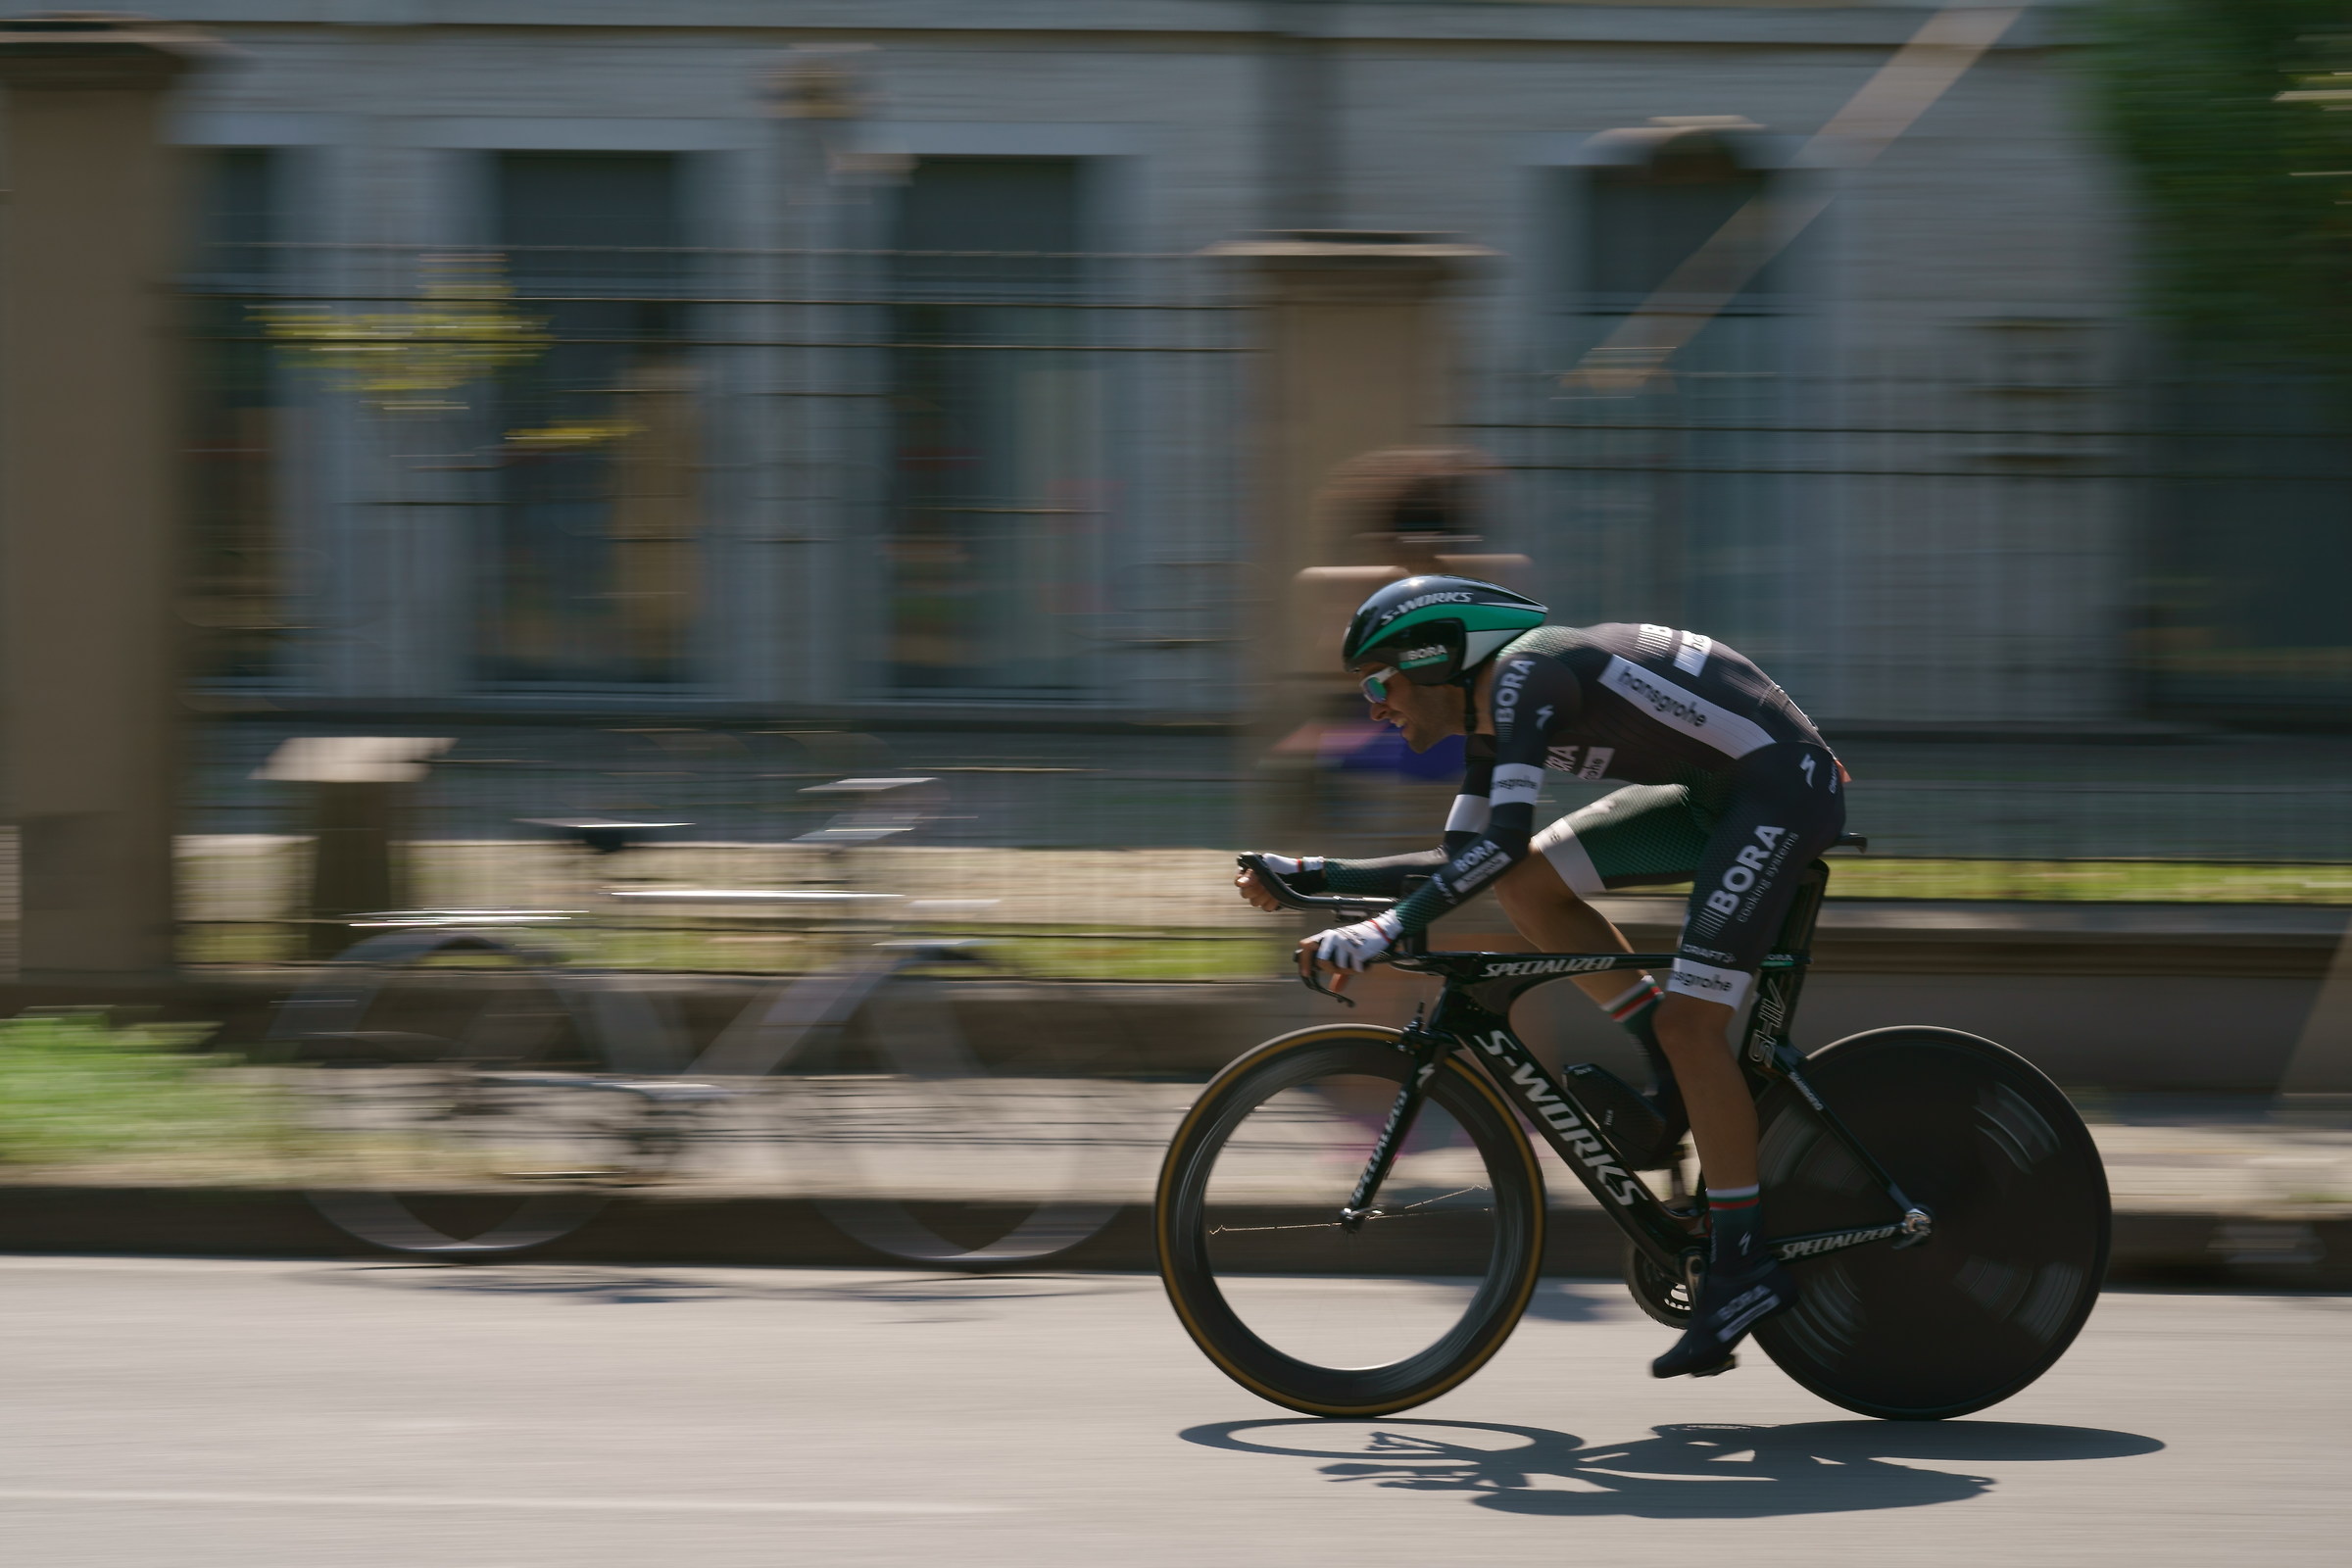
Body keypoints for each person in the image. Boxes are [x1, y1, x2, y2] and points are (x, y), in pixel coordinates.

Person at [1235, 574, 1846, 1378]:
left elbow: (1489, 846)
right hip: (1715, 796)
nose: (1374, 707)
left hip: (1781, 793)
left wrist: (1380, 932)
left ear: (1435, 657)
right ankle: (1672, 1083)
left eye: (1379, 683)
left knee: (1691, 1022)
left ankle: (1741, 1268)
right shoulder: (1496, 709)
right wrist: (1317, 875)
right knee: (1529, 882)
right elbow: (1470, 861)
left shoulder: (1527, 675)